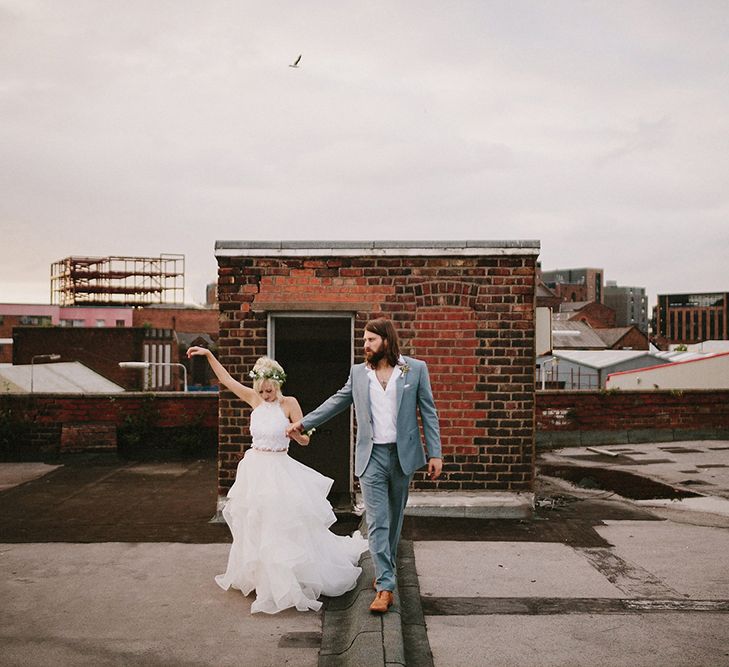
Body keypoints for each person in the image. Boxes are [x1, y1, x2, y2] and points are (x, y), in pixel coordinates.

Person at [186, 347, 368, 615]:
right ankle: (262, 578)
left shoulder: (290, 404)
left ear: (278, 385)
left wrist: (295, 434)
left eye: (269, 390)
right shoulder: (254, 400)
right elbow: (226, 379)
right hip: (255, 469)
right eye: (261, 390)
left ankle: (284, 581)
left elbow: (306, 439)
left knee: (280, 525)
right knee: (256, 523)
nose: (265, 395)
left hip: (280, 470)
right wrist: (208, 354)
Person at [287, 318, 443, 613]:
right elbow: (337, 401)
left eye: (371, 340)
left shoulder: (415, 369)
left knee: (395, 519)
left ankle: (387, 570)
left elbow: (429, 412)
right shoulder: (359, 374)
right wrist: (303, 422)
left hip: (403, 456)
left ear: (386, 340)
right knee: (377, 521)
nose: (365, 345)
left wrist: (435, 453)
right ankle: (385, 585)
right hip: (371, 457)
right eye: (363, 340)